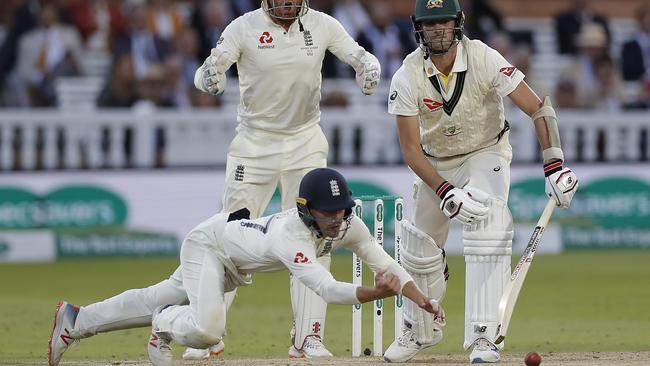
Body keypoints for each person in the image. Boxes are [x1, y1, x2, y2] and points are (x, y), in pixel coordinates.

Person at [47, 168, 444, 366]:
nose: (337, 221)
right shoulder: (291, 235)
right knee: (205, 332)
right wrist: (374, 292)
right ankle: (166, 322)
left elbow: (386, 262)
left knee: (151, 298)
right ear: (307, 210)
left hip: (232, 257)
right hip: (209, 246)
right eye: (328, 214)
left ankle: (75, 320)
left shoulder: (345, 224)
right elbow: (325, 288)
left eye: (342, 212)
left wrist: (422, 299)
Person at [384, 0, 578, 364]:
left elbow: (539, 108)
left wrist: (554, 164)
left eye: (444, 22)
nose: (438, 30)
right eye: (430, 24)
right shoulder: (406, 75)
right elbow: (410, 150)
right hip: (434, 164)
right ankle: (420, 330)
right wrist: (444, 190)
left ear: (457, 23)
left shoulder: (484, 57)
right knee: (418, 249)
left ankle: (485, 337)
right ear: (419, 29)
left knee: (486, 224)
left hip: (485, 153)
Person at [191, 0, 381, 359]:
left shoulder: (322, 24)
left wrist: (368, 67)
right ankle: (207, 332)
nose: (287, 3)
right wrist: (209, 76)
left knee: (316, 236)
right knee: (229, 236)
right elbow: (207, 70)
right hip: (253, 143)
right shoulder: (243, 27)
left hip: (304, 141)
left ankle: (308, 336)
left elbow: (358, 55)